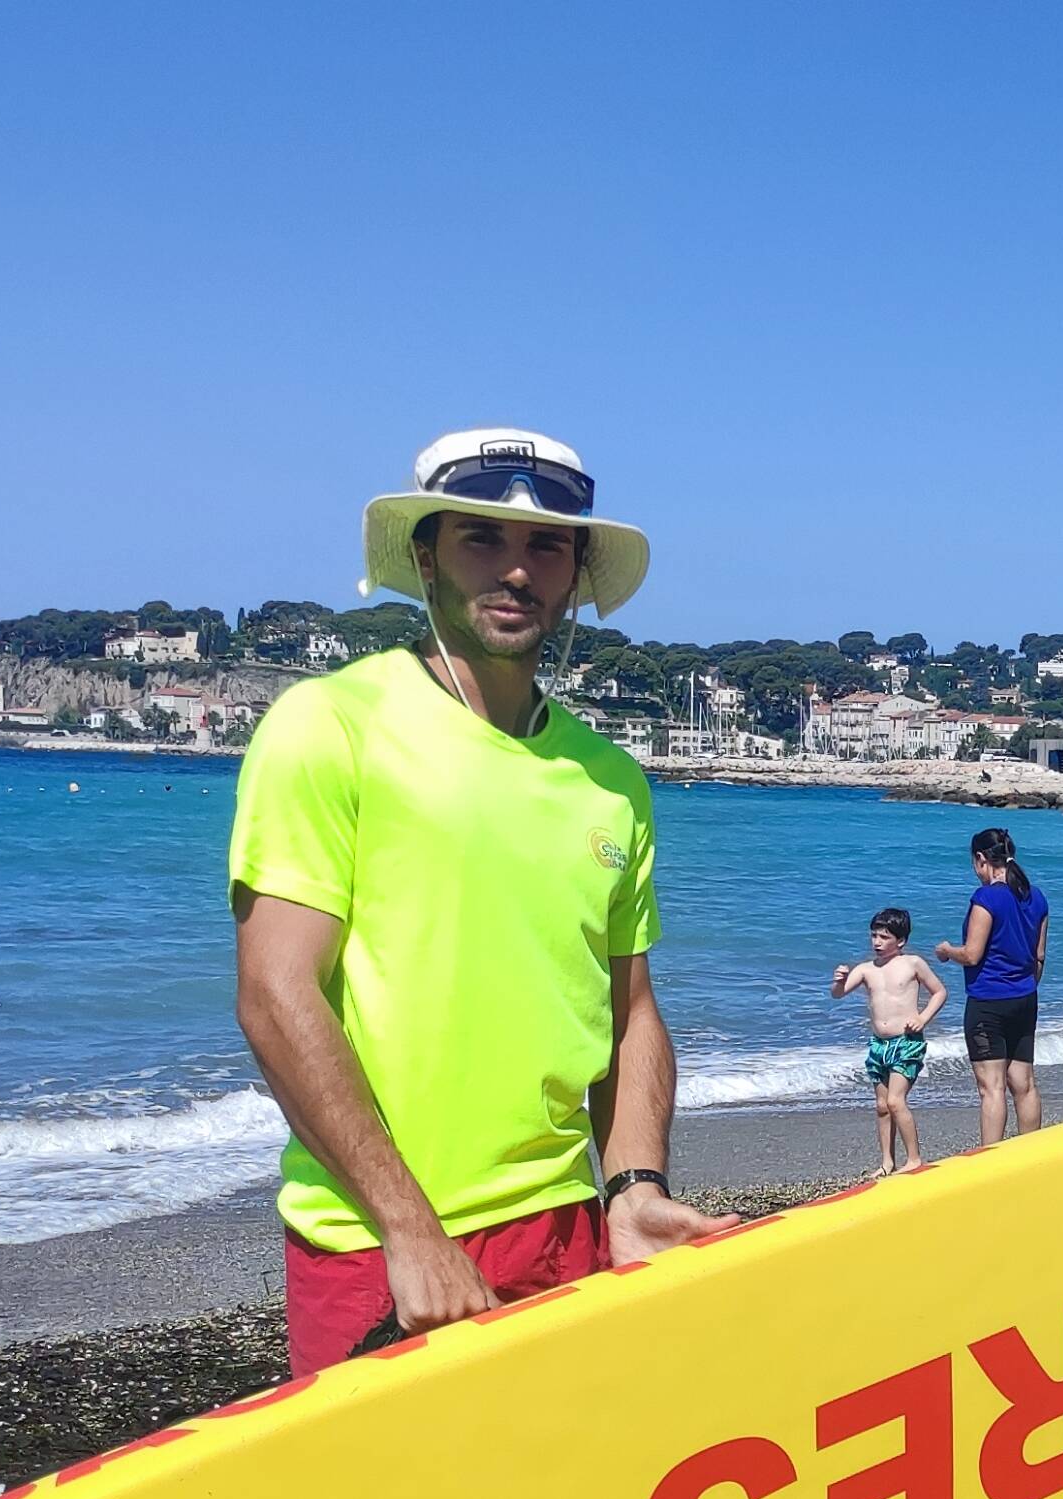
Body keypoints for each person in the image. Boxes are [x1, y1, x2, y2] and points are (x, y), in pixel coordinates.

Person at [229, 427, 722, 1384]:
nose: (516, 571)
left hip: (568, 1227)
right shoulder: (330, 726)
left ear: (575, 575)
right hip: (377, 1242)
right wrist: (410, 1230)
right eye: (481, 539)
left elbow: (629, 1013)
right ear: (425, 557)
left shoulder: (611, 780)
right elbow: (277, 994)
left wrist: (633, 1187)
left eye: (546, 547)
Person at [934, 827, 1047, 1144]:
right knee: (1024, 1083)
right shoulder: (1035, 896)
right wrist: (1024, 986)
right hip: (1025, 998)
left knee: (992, 1087)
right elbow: (1039, 957)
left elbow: (972, 954)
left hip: (989, 1002)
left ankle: (992, 1157)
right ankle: (1032, 1151)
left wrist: (947, 951)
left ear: (981, 859)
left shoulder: (986, 898)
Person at [831, 905, 948, 1176]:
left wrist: (923, 1018)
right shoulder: (866, 969)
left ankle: (914, 1159)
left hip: (906, 1041)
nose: (877, 942)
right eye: (874, 936)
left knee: (896, 1101)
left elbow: (940, 992)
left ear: (901, 940)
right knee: (883, 1107)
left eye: (884, 937)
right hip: (879, 1045)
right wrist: (838, 980)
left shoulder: (912, 964)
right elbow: (838, 994)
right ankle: (887, 1162)